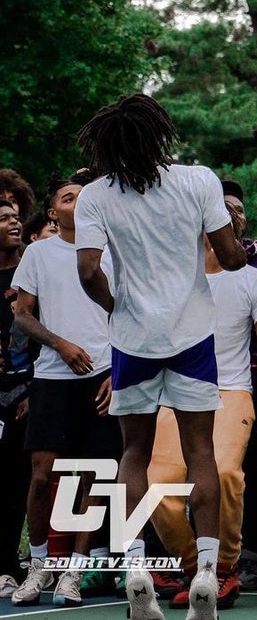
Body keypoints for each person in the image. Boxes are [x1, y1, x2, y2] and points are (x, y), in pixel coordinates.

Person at [74, 94, 248, 620]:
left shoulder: (95, 195)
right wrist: (234, 237)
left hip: (132, 340)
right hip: (193, 335)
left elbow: (87, 272)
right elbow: (235, 257)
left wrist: (116, 307)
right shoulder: (198, 180)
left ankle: (134, 565)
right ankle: (207, 572)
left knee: (134, 455)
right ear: (159, 135)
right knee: (200, 454)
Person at [148, 208, 257, 611]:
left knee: (224, 473)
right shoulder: (175, 277)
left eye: (229, 218)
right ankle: (195, 570)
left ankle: (223, 569)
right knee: (157, 487)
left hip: (231, 393)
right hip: (175, 393)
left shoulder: (252, 278)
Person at [11, 177, 120, 607]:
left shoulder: (111, 250)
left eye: (84, 194)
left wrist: (121, 370)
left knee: (94, 477)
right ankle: (40, 565)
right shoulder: (39, 253)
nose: (80, 200)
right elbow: (23, 316)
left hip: (103, 376)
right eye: (68, 197)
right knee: (42, 476)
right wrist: (61, 345)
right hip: (53, 377)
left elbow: (126, 313)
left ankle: (74, 571)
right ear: (53, 212)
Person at [0, 199, 31, 601]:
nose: (14, 222)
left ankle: (10, 566)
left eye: (16, 217)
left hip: (28, 388)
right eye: (4, 218)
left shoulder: (32, 268)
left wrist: (36, 388)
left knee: (18, 483)